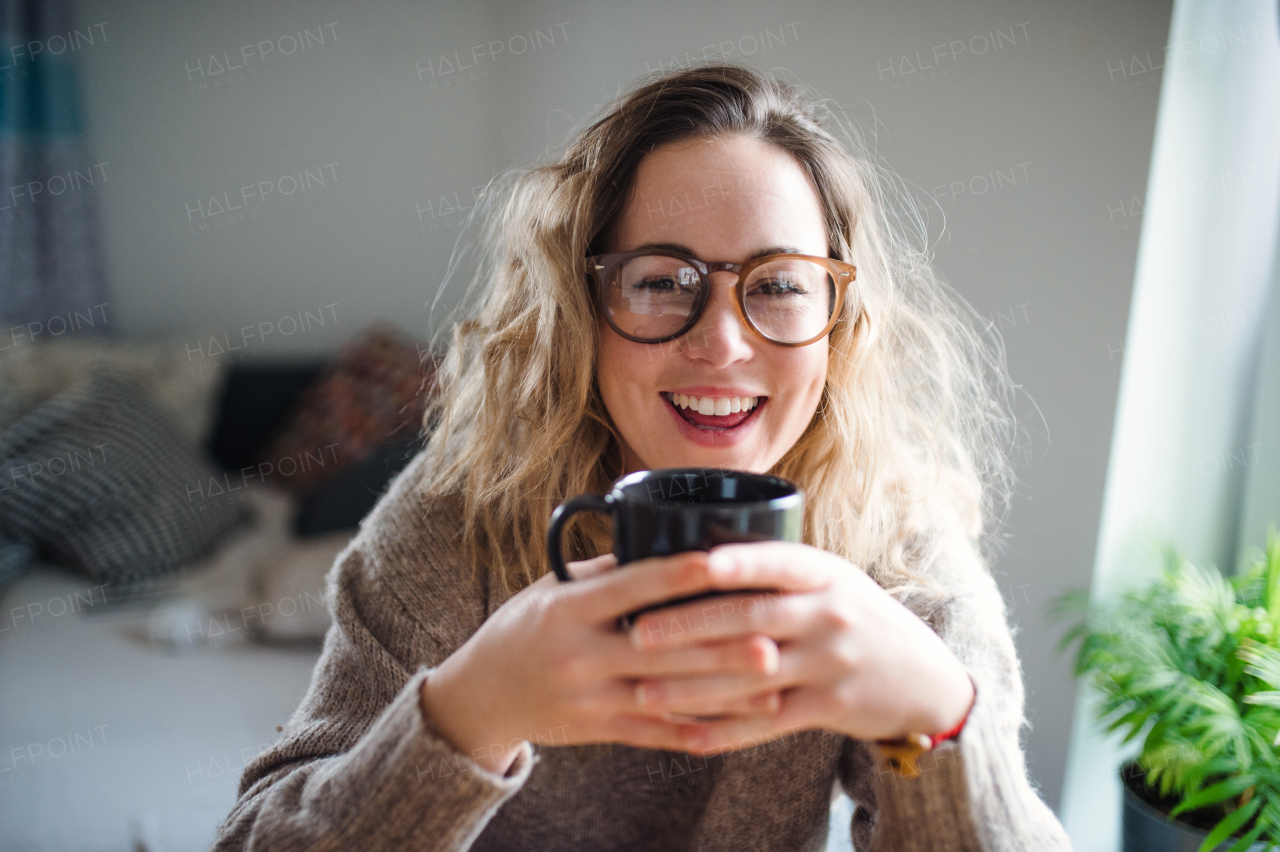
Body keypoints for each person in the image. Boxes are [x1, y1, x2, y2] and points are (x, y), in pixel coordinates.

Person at [213, 62, 1072, 851]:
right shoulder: (453, 526)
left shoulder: (900, 559)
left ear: (839, 324)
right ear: (582, 309)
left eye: (776, 285)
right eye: (663, 281)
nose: (724, 344)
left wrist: (937, 719)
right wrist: (468, 714)